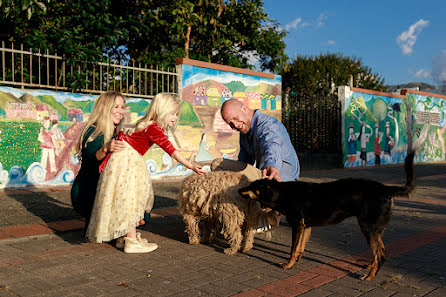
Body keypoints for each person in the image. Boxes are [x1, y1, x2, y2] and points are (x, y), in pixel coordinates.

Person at [86, 93, 206, 253]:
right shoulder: (154, 128)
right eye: (173, 114)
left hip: (123, 158)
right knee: (131, 199)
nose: (175, 118)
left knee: (126, 198)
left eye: (177, 115)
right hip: (129, 160)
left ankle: (124, 237)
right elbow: (171, 150)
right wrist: (190, 165)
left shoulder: (146, 123)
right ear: (163, 111)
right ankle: (131, 240)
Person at [71, 91, 128, 234]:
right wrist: (106, 148)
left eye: (122, 107)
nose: (120, 111)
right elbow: (93, 155)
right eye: (116, 107)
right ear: (105, 108)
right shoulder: (93, 131)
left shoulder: (117, 132)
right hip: (87, 192)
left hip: (105, 190)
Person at [211, 99, 300, 182]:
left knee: (219, 165)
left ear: (244, 109)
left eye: (235, 118)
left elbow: (272, 144)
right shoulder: (244, 131)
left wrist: (272, 165)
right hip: (262, 172)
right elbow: (244, 161)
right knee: (218, 164)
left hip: (279, 176)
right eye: (230, 123)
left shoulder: (267, 124)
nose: (235, 125)